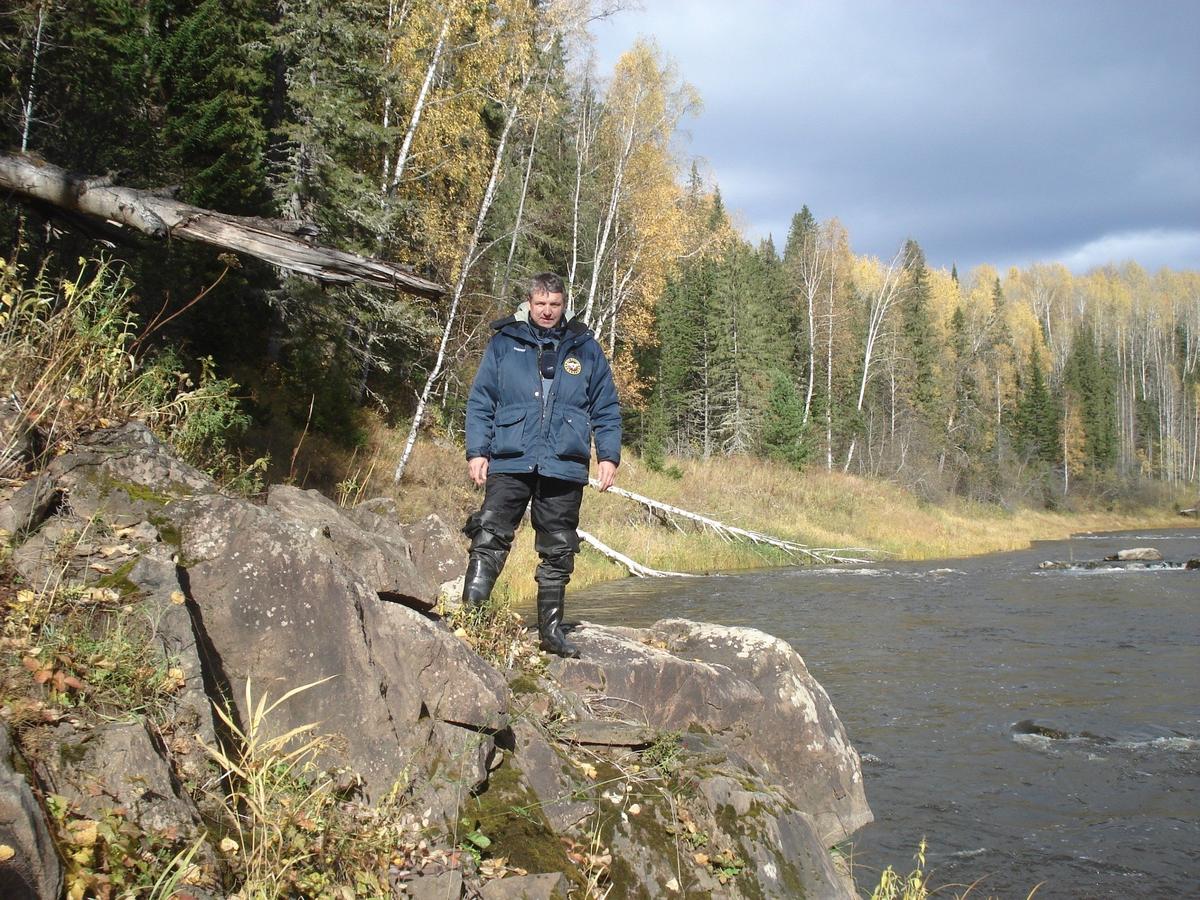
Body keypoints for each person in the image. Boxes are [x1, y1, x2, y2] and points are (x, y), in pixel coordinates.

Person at [461, 273, 621, 658]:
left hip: (564, 462)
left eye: (555, 304)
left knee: (559, 548)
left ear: (564, 304)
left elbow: (607, 407)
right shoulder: (505, 343)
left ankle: (551, 633)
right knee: (489, 535)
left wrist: (609, 456)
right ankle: (470, 623)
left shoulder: (586, 348)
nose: (547, 311)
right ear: (529, 304)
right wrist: (477, 451)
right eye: (541, 304)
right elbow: (482, 400)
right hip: (511, 456)